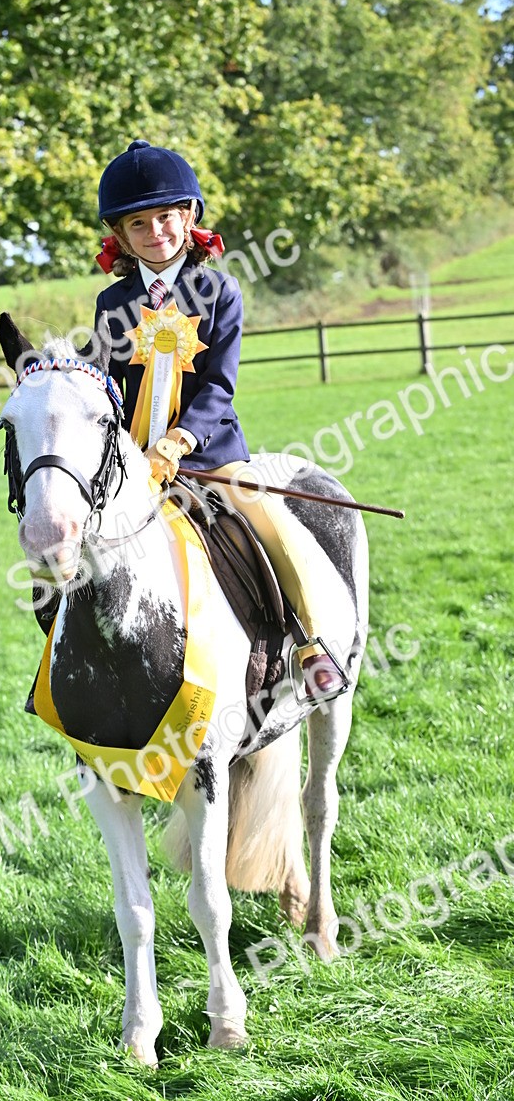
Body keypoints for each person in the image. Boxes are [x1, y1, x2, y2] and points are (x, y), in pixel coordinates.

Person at [93, 139, 347, 701]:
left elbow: (220, 385)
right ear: (121, 236)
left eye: (166, 217)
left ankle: (313, 644)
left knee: (267, 521)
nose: (155, 232)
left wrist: (179, 440)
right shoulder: (111, 304)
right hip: (131, 462)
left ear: (188, 218)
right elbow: (108, 384)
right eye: (139, 223)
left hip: (209, 454)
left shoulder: (219, 290)